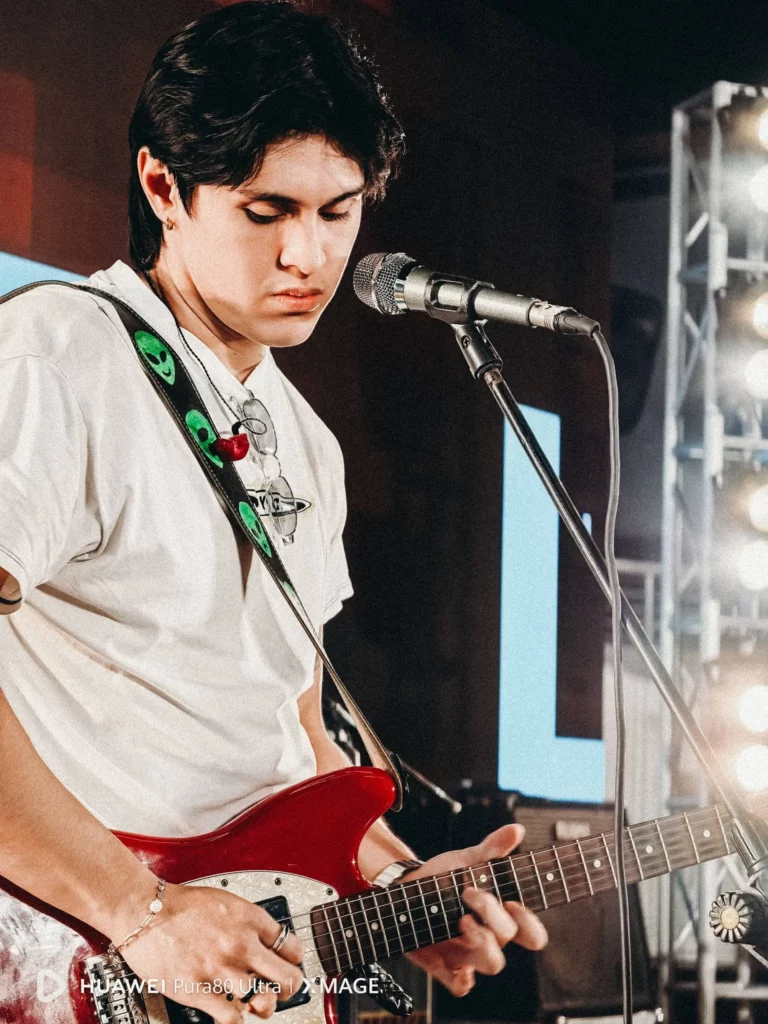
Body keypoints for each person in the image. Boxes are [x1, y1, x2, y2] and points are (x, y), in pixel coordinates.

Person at [0, 3, 546, 1021]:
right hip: (83, 957)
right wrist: (140, 910)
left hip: (242, 972)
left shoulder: (309, 443)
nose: (310, 255)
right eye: (268, 211)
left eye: (337, 212)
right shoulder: (56, 358)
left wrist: (392, 885)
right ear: (163, 186)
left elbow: (290, 731)